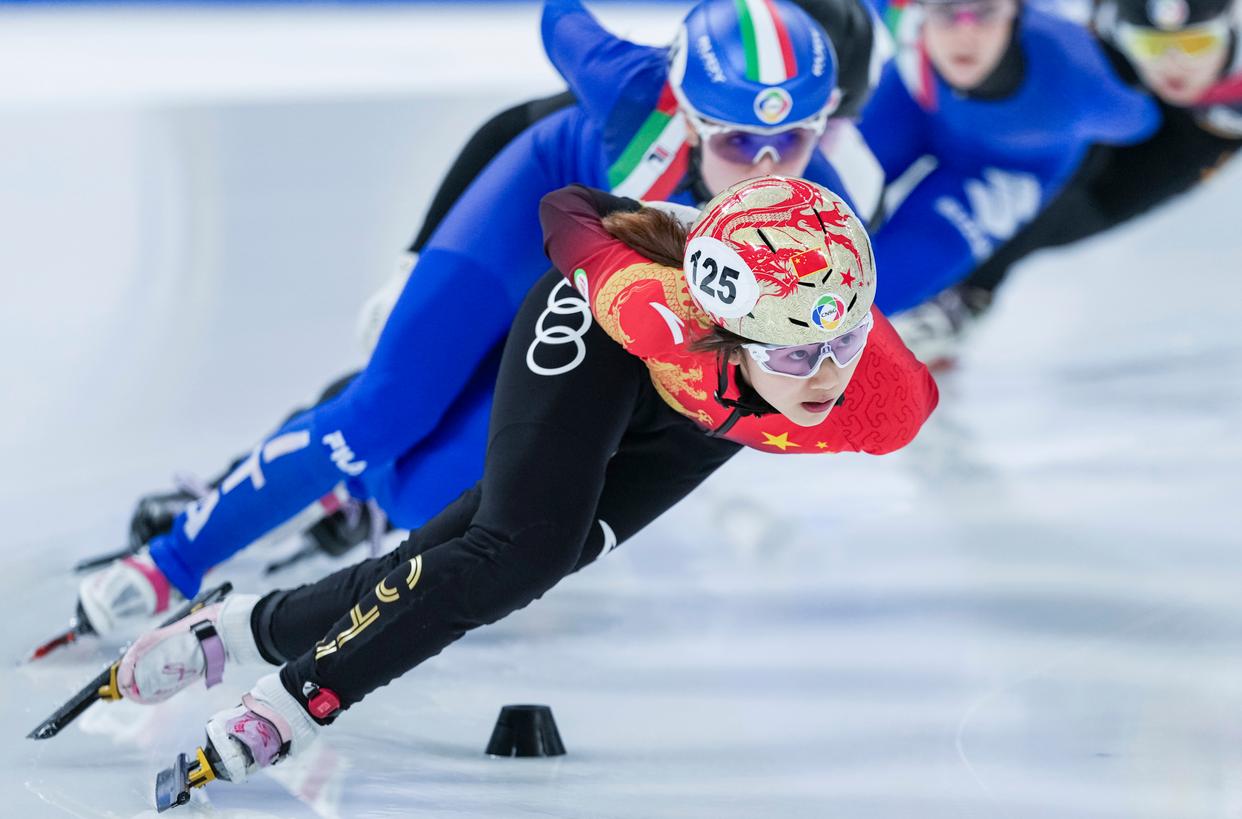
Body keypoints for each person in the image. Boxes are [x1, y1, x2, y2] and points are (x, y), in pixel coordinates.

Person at [72, 0, 891, 638]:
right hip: (536, 203)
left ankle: (355, 488)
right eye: (740, 141)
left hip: (615, 281)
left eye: (795, 137)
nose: (768, 165)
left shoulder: (824, 212)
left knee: (431, 490)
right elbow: (532, 71)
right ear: (686, 113)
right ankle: (168, 562)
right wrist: (415, 257)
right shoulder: (632, 87)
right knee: (385, 409)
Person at [107, 176, 939, 791]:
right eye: (795, 351)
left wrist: (796, 332)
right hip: (604, 348)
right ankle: (290, 700)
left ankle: (242, 629)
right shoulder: (652, 307)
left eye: (844, 339)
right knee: (522, 548)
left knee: (512, 546)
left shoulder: (884, 401)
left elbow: (827, 350)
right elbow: (566, 210)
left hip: (702, 423)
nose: (825, 370)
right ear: (726, 327)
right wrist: (680, 222)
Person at [905, 0, 1242, 366]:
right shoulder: (1101, 43)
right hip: (1121, 87)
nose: (1174, 62)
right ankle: (965, 290)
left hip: (1189, 135)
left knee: (1075, 218)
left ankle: (969, 293)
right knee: (1054, 180)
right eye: (1151, 44)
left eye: (1196, 45)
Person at [849, 0, 1159, 332]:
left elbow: (1141, 121)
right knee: (803, 210)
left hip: (1002, 168)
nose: (965, 32)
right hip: (911, 108)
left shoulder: (1072, 74)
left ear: (1015, 11)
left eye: (985, 12)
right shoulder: (892, 15)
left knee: (869, 298)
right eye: (945, 10)